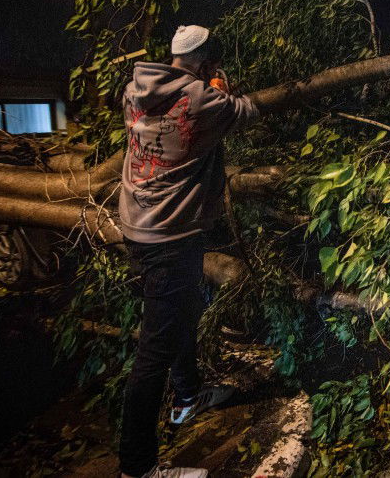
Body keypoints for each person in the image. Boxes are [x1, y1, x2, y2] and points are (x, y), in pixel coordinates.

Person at [118, 25, 260, 478]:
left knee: (179, 312)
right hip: (170, 236)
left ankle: (186, 396)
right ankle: (137, 468)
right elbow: (247, 110)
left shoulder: (132, 92)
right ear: (204, 61)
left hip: (137, 226)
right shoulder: (204, 100)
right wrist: (217, 85)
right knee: (153, 354)